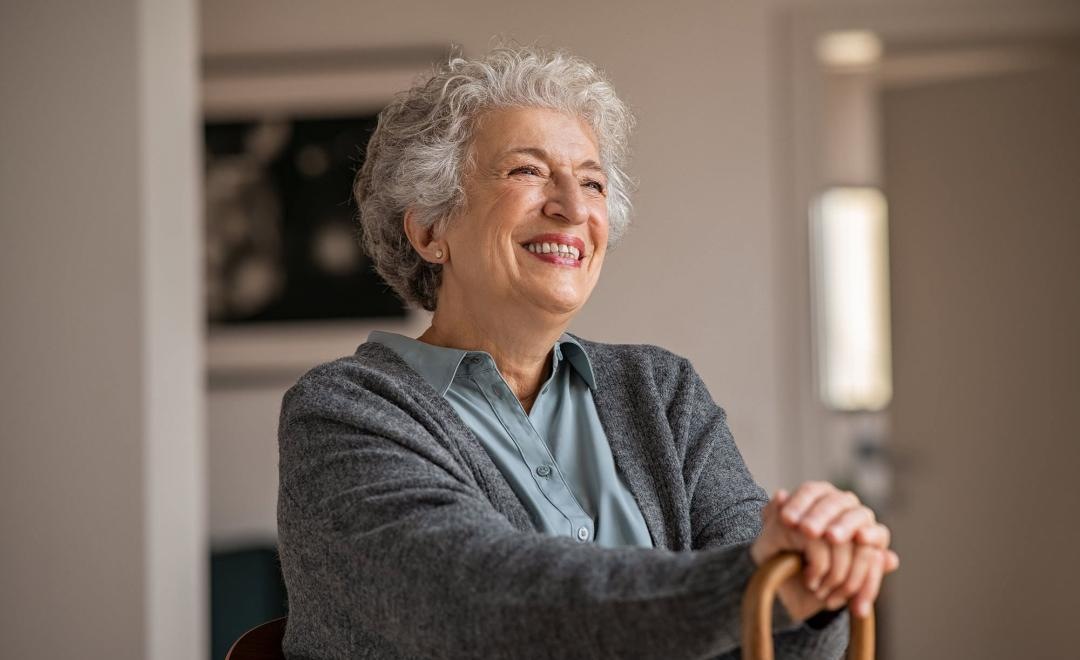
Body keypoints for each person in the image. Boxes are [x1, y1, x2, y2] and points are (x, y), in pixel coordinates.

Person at [276, 45, 899, 659]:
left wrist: (818, 568)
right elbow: (474, 603)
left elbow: (776, 633)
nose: (574, 209)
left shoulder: (659, 390)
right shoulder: (342, 411)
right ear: (431, 229)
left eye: (592, 182)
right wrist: (751, 583)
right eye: (528, 171)